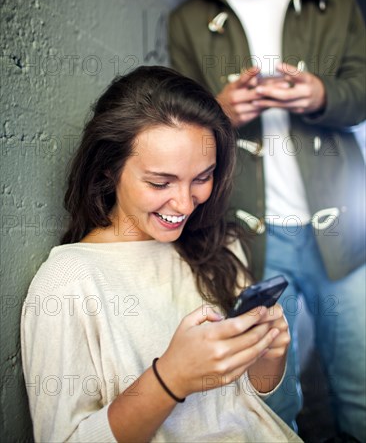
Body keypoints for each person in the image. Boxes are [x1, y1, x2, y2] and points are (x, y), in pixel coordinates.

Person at [168, 0, 366, 439]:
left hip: (342, 228)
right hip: (253, 234)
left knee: (360, 385)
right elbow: (176, 126)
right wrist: (218, 112)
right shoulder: (189, 16)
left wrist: (322, 93)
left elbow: (363, 92)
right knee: (272, 399)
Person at [21, 65, 302, 443]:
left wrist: (269, 358)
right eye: (160, 182)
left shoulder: (219, 245)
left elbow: (252, 408)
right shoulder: (68, 281)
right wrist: (170, 379)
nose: (186, 203)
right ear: (109, 170)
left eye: (202, 177)